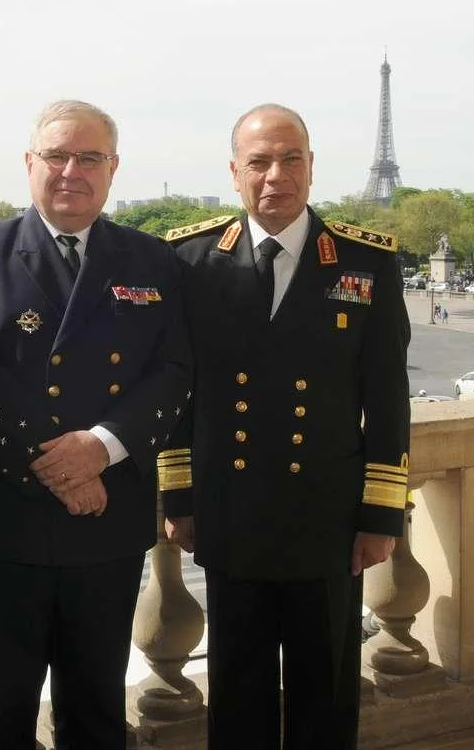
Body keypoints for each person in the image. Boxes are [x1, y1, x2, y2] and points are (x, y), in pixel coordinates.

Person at [0, 100, 192, 750]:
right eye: (56, 155)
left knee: (96, 711)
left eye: (89, 157)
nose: (70, 170)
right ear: (30, 164)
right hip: (6, 523)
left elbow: (172, 372)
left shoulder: (153, 261)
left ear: (113, 169)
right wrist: (63, 468)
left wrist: (100, 448)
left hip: (104, 524)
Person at [162, 103, 410, 750]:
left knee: (325, 695)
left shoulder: (365, 262)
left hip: (326, 521)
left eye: (291, 158)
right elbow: (175, 397)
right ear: (235, 172)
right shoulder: (191, 262)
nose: (277, 174)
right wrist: (179, 499)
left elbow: (387, 399)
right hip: (231, 514)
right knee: (236, 693)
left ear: (311, 166)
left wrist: (381, 515)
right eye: (260, 161)